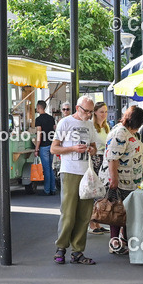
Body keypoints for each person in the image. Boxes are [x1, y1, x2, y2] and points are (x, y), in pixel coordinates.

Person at [50, 95, 99, 265]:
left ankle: (78, 251)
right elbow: (53, 148)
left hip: (86, 172)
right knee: (68, 213)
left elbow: (94, 146)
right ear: (78, 108)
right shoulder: (66, 122)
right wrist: (72, 148)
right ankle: (61, 247)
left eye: (92, 112)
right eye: (87, 111)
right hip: (70, 171)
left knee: (84, 214)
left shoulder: (90, 124)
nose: (89, 115)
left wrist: (92, 150)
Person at [101, 105, 143, 255]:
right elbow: (112, 158)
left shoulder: (127, 132)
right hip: (120, 180)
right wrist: (113, 181)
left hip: (130, 180)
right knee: (117, 211)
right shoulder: (120, 133)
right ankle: (114, 241)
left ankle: (124, 239)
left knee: (126, 211)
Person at [33, 100, 57, 196]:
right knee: (50, 167)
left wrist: (36, 148)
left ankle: (47, 190)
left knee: (46, 168)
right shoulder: (51, 118)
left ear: (39, 107)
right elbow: (56, 131)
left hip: (43, 146)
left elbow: (39, 135)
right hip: (52, 145)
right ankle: (53, 188)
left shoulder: (38, 120)